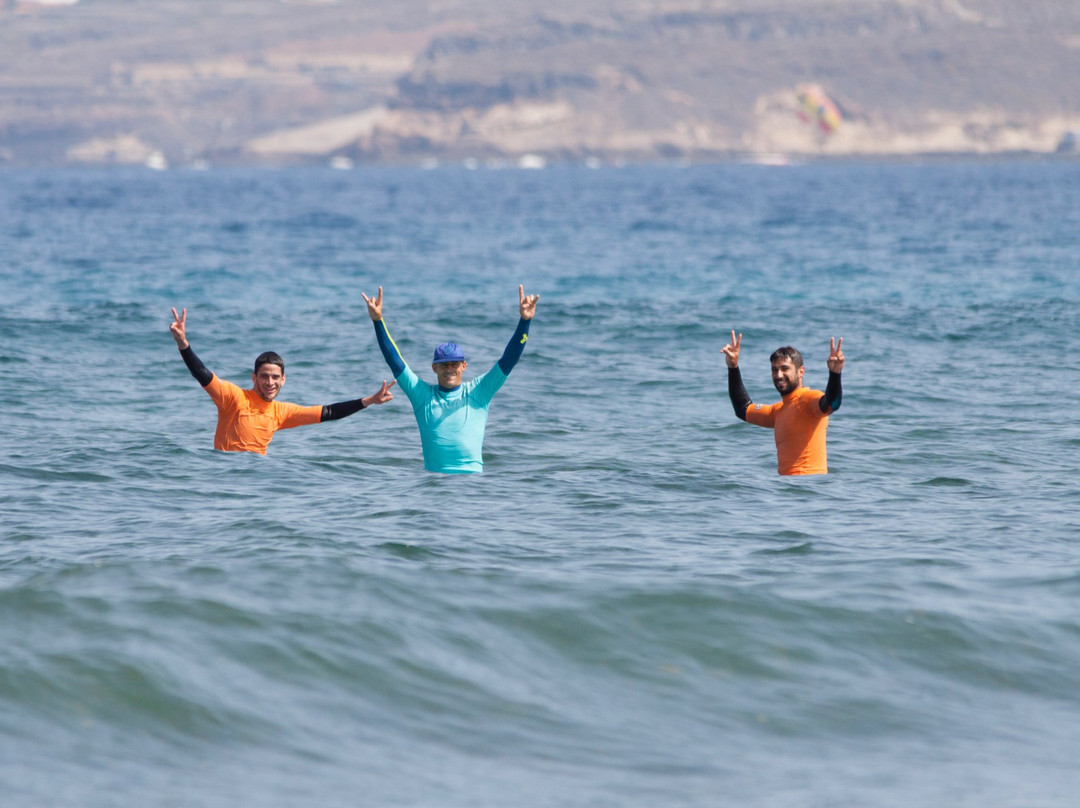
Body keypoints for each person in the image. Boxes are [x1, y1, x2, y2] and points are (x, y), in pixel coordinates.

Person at [360, 285, 539, 473]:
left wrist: (525, 321)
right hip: (435, 484)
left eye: (454, 364)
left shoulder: (480, 392)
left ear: (464, 366)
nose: (449, 369)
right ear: (434, 368)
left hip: (473, 483)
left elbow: (509, 360)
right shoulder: (422, 396)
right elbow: (395, 362)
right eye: (444, 365)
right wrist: (378, 321)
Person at [169, 307, 395, 454]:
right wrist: (183, 345)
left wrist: (368, 401)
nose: (270, 382)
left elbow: (329, 412)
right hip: (225, 472)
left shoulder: (281, 413)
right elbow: (202, 373)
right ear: (254, 377)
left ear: (283, 380)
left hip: (256, 476)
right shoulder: (233, 398)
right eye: (264, 376)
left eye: (275, 377)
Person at [723, 331, 845, 476]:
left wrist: (835, 374)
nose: (778, 375)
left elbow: (832, 404)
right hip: (787, 486)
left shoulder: (808, 399)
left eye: (785, 368)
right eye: (774, 370)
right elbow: (742, 409)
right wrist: (733, 367)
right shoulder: (777, 411)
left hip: (810, 484)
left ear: (801, 372)